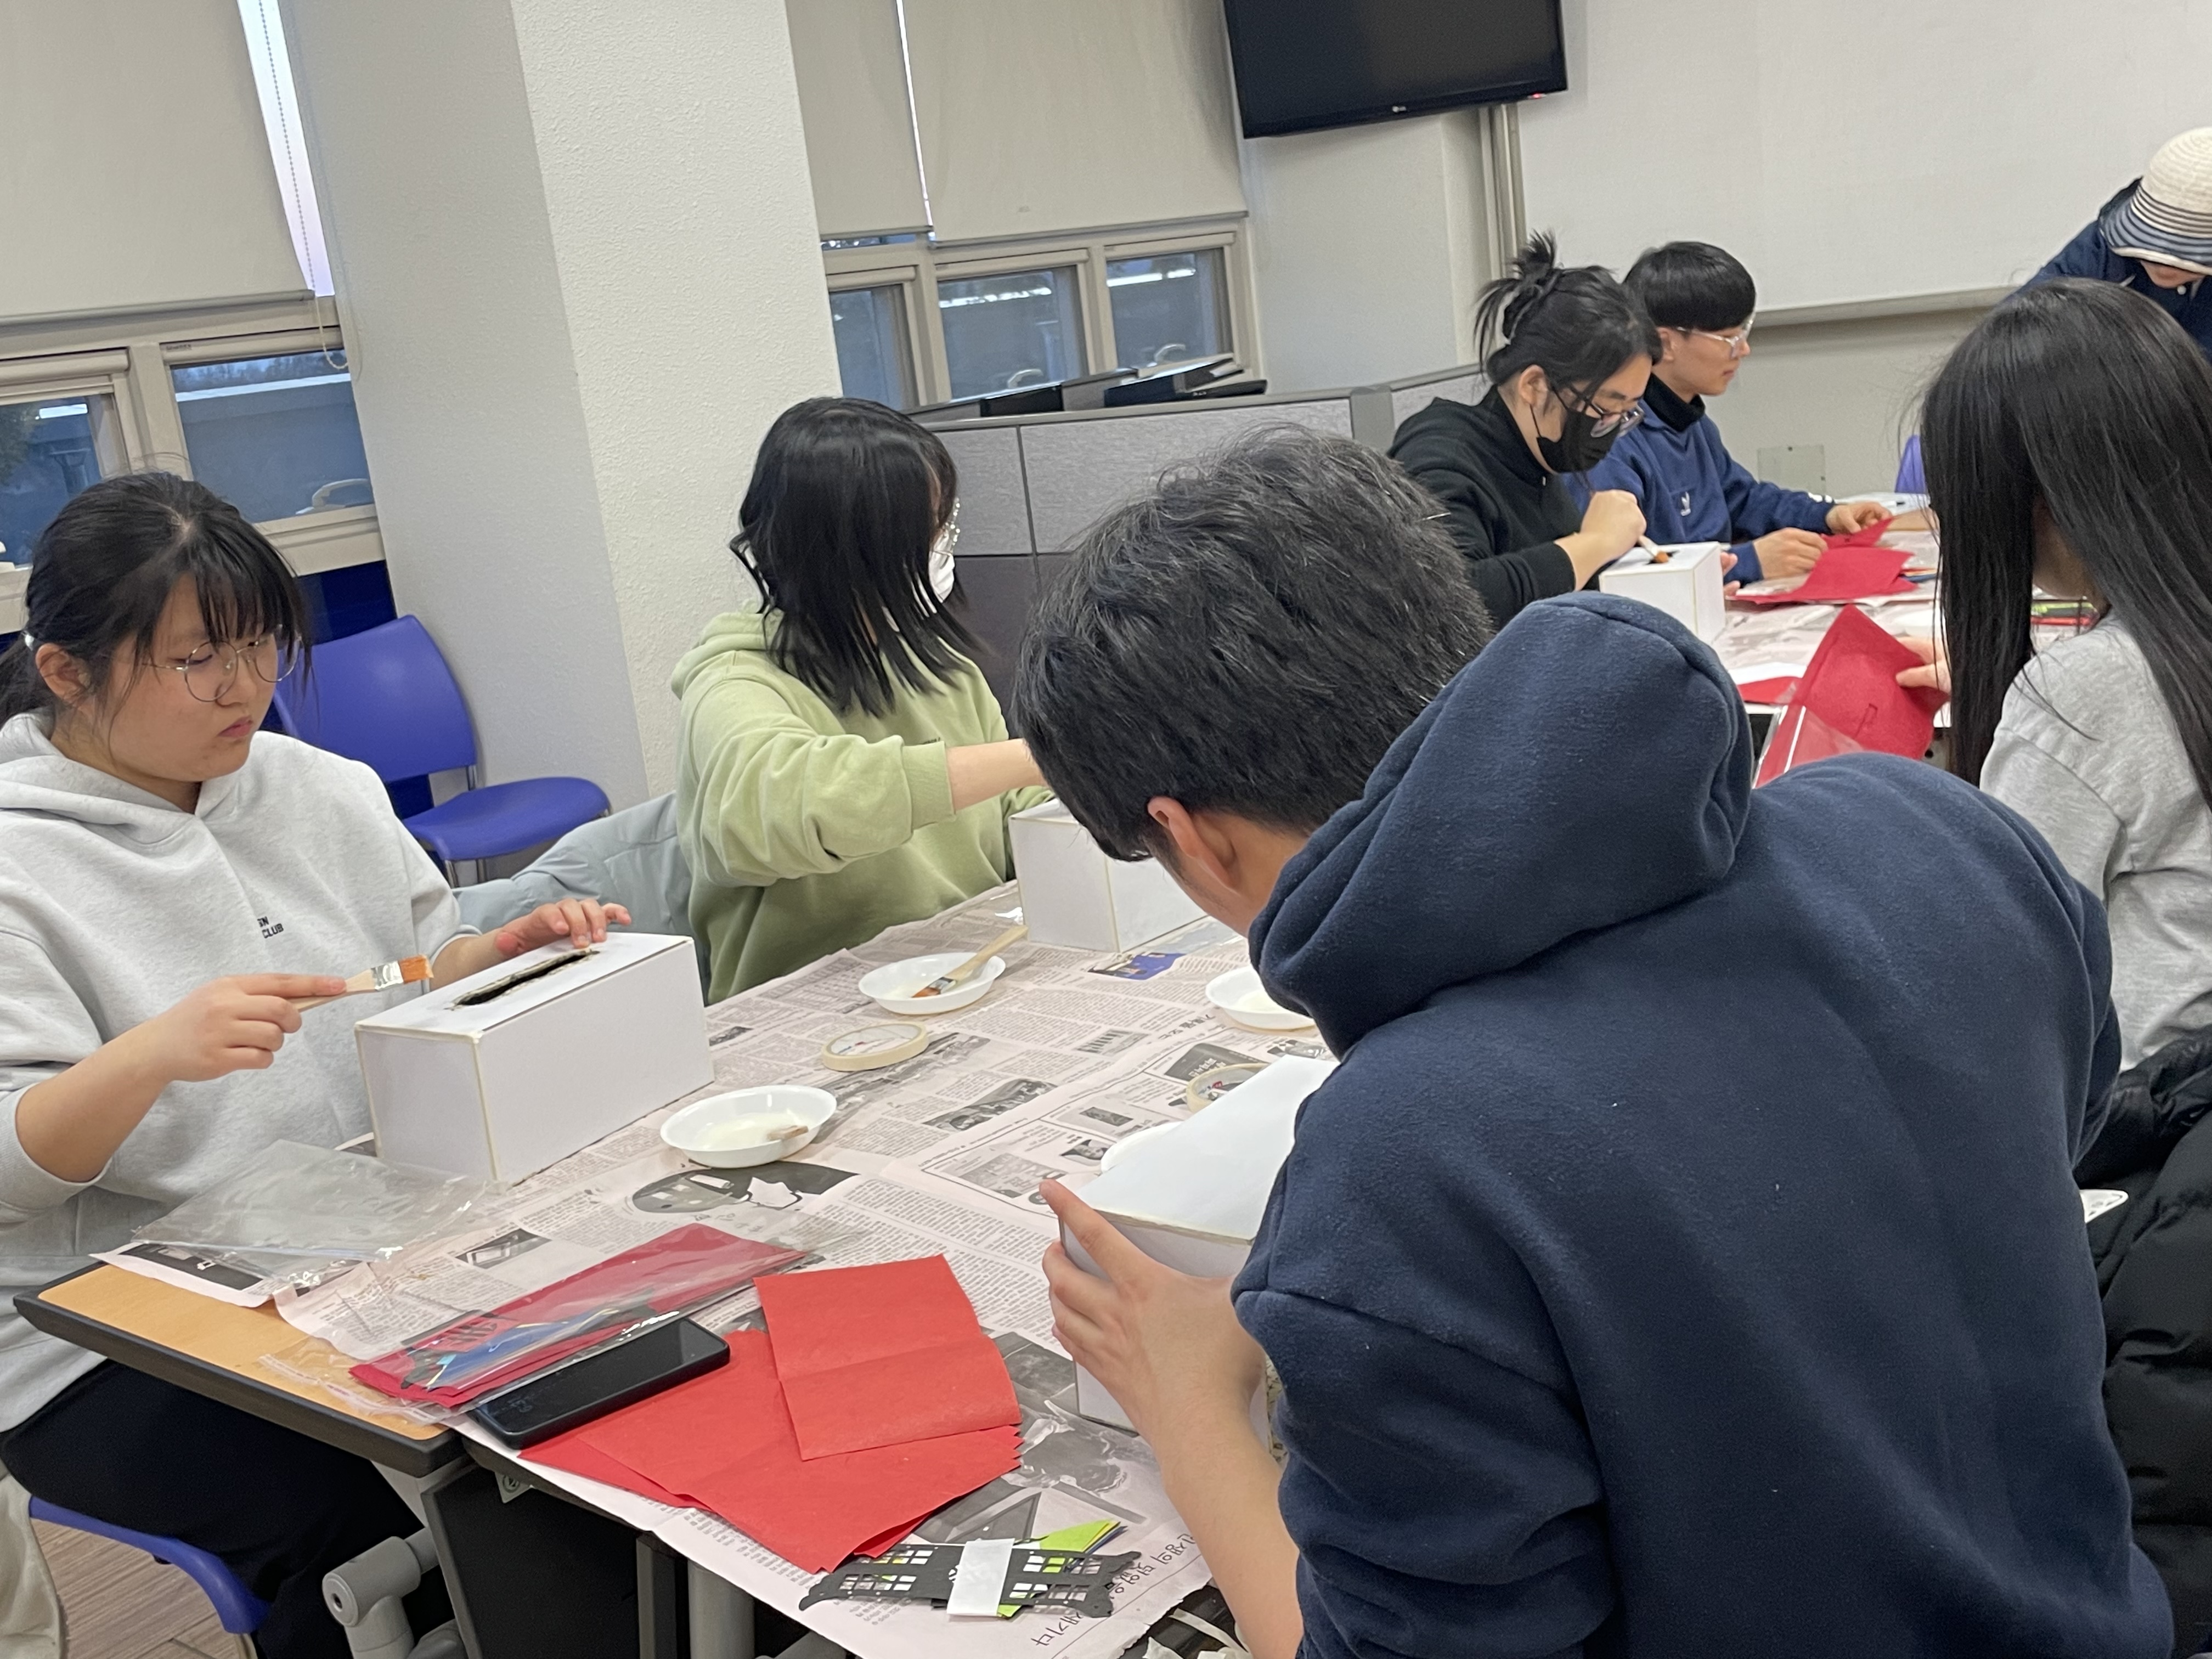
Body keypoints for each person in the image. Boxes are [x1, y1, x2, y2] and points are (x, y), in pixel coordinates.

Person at [1015, 425, 2170, 1657]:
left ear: (1189, 837)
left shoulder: (1402, 1157)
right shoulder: (1940, 827)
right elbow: (2046, 1128)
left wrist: (1191, 1400)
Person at [0, 473, 625, 1658]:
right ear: (67, 672)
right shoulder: (16, 864)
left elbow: (402, 971)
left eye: (258, 644)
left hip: (360, 1246)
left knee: (588, 1423)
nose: (245, 687)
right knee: (377, 1533)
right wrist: (147, 1057)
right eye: (196, 660)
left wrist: (492, 954)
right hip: (97, 1340)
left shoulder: (320, 789)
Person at [1899, 280, 2212, 1069]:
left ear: (2035, 502)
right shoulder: (2155, 652)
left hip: (2145, 1112)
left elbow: (1997, 970)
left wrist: (2046, 726)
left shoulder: (2088, 693)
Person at [673, 398, 1049, 999]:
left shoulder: (942, 671)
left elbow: (1015, 813)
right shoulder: (735, 684)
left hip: (961, 970)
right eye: (930, 529)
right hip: (809, 1002)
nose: (945, 544)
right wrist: (1036, 757)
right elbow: (796, 805)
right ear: (858, 551)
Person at [1571, 241, 1898, 584]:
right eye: (1728, 339)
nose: (1744, 349)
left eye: (1744, 332)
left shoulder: (1693, 422)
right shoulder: (1611, 443)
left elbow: (1743, 499)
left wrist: (1827, 514)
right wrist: (1749, 562)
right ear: (1665, 343)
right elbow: (1618, 575)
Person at [1388, 234, 1654, 625]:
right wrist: (1595, 543)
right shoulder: (1440, 455)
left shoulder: (1537, 458)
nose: (1609, 428)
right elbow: (1454, 600)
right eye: (1605, 408)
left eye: (1626, 413)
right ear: (1534, 385)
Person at [2030, 128, 2212, 362]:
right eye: (2148, 247)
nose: (2164, 267)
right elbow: (2023, 326)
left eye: (2187, 256)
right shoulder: (2101, 249)